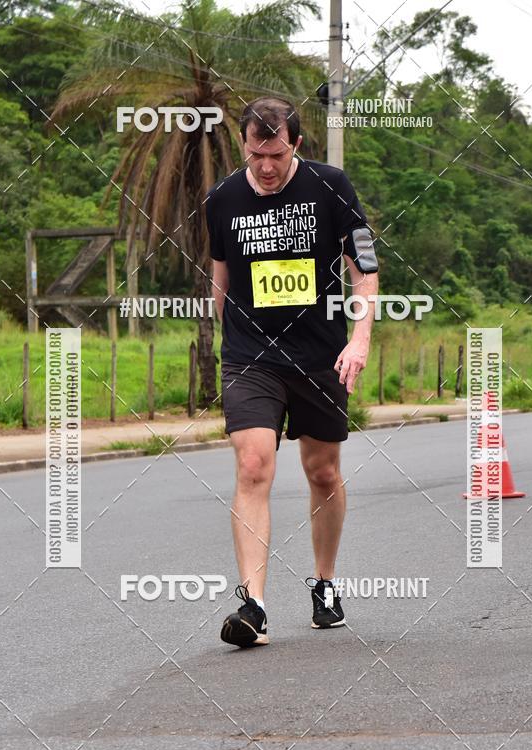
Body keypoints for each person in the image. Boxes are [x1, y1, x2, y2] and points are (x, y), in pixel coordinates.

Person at [205, 96, 378, 648]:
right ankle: (253, 605)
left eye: (276, 155)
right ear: (244, 147)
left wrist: (359, 339)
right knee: (254, 464)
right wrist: (225, 341)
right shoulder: (222, 199)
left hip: (320, 355)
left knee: (322, 471)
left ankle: (324, 585)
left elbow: (365, 268)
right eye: (256, 154)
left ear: (296, 146)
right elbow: (220, 278)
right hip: (251, 357)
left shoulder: (332, 186)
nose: (265, 166)